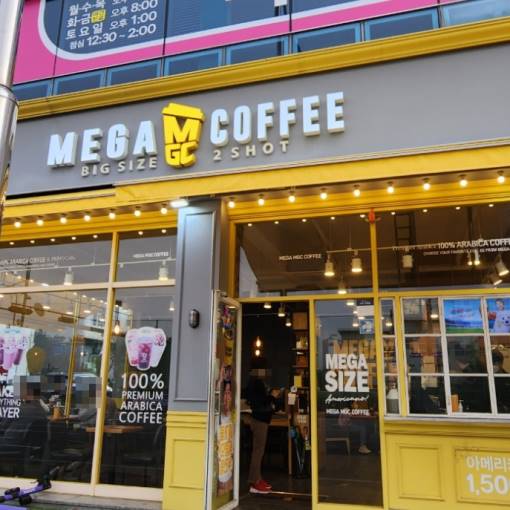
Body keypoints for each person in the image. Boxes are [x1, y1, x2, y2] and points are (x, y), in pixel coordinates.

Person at [244, 370, 280, 495]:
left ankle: (258, 479)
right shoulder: (256, 384)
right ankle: (254, 482)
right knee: (258, 452)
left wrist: (272, 397)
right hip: (260, 421)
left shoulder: (256, 383)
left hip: (261, 420)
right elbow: (259, 402)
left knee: (259, 451)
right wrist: (272, 396)